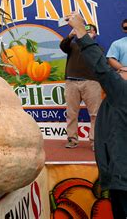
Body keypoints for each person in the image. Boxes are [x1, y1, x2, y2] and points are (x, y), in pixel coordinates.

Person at [66, 13, 127, 218]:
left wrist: (81, 31)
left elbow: (101, 68)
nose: (120, 70)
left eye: (124, 69)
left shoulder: (122, 94)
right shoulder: (118, 96)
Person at [59, 24, 102, 150]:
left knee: (95, 114)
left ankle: (95, 141)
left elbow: (99, 62)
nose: (87, 33)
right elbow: (62, 46)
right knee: (71, 113)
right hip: (71, 82)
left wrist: (87, 41)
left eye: (90, 31)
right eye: (84, 30)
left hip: (92, 82)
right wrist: (71, 35)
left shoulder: (97, 48)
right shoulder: (72, 46)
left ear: (95, 34)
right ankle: (72, 139)